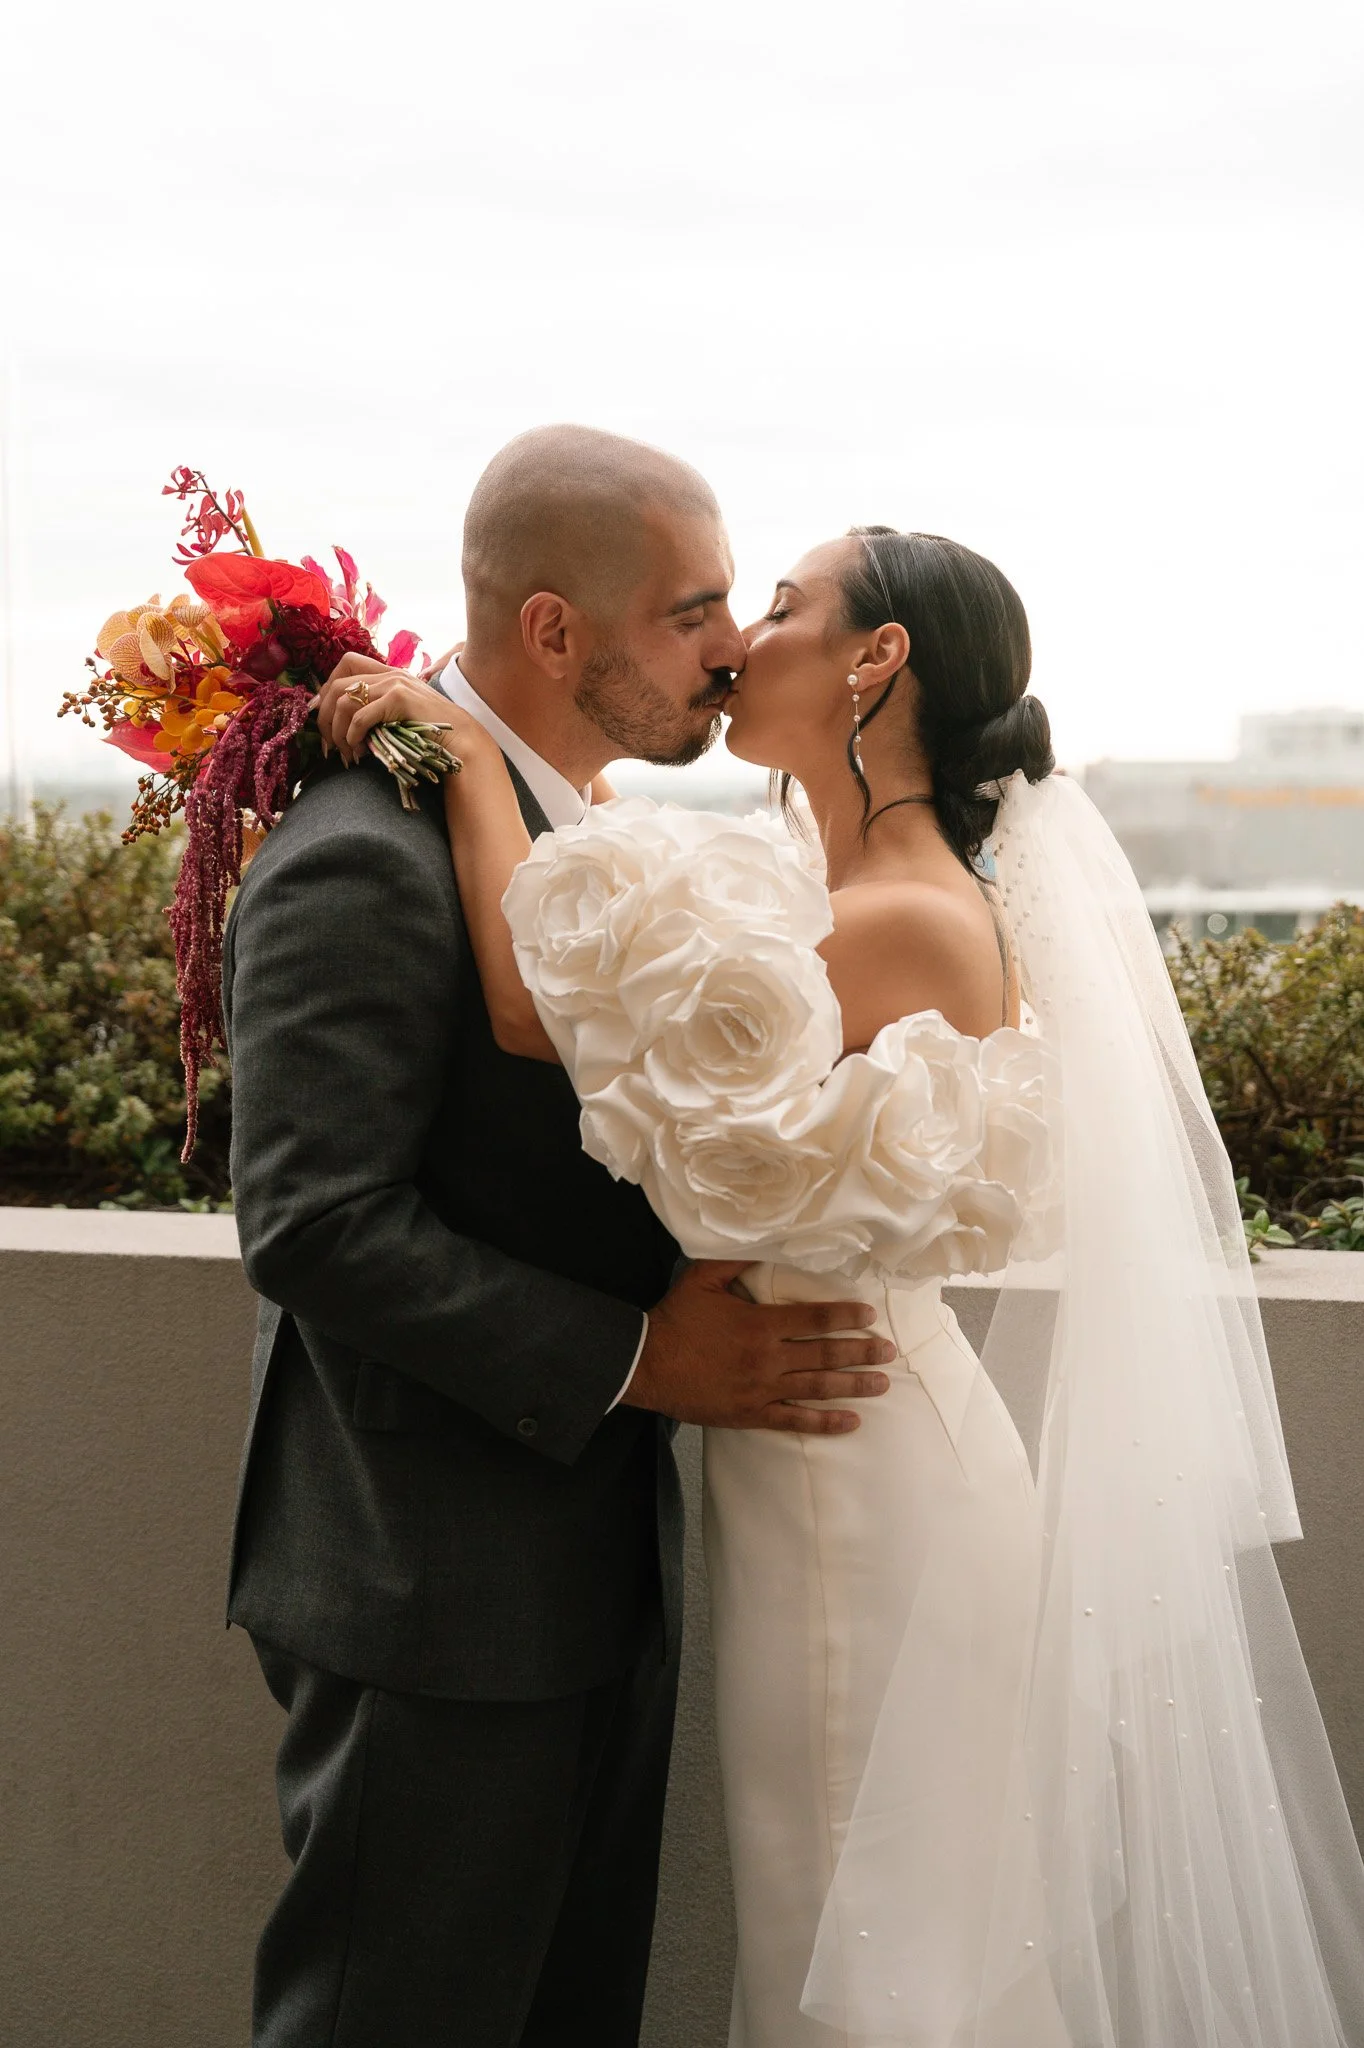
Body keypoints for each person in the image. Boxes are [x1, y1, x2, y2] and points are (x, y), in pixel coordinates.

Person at [321, 519, 1364, 2047]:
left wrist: (474, 763)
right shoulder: (855, 882)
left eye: (786, 606)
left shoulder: (900, 915)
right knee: (858, 1933)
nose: (741, 636)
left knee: (867, 1959)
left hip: (862, 1481)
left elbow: (540, 1005)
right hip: (830, 1448)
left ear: (878, 660)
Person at [224, 425, 895, 2048]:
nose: (730, 648)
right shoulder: (359, 855)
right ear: (553, 632)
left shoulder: (561, 837)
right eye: (693, 610)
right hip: (429, 1593)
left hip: (585, 1573)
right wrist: (648, 1356)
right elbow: (313, 1223)